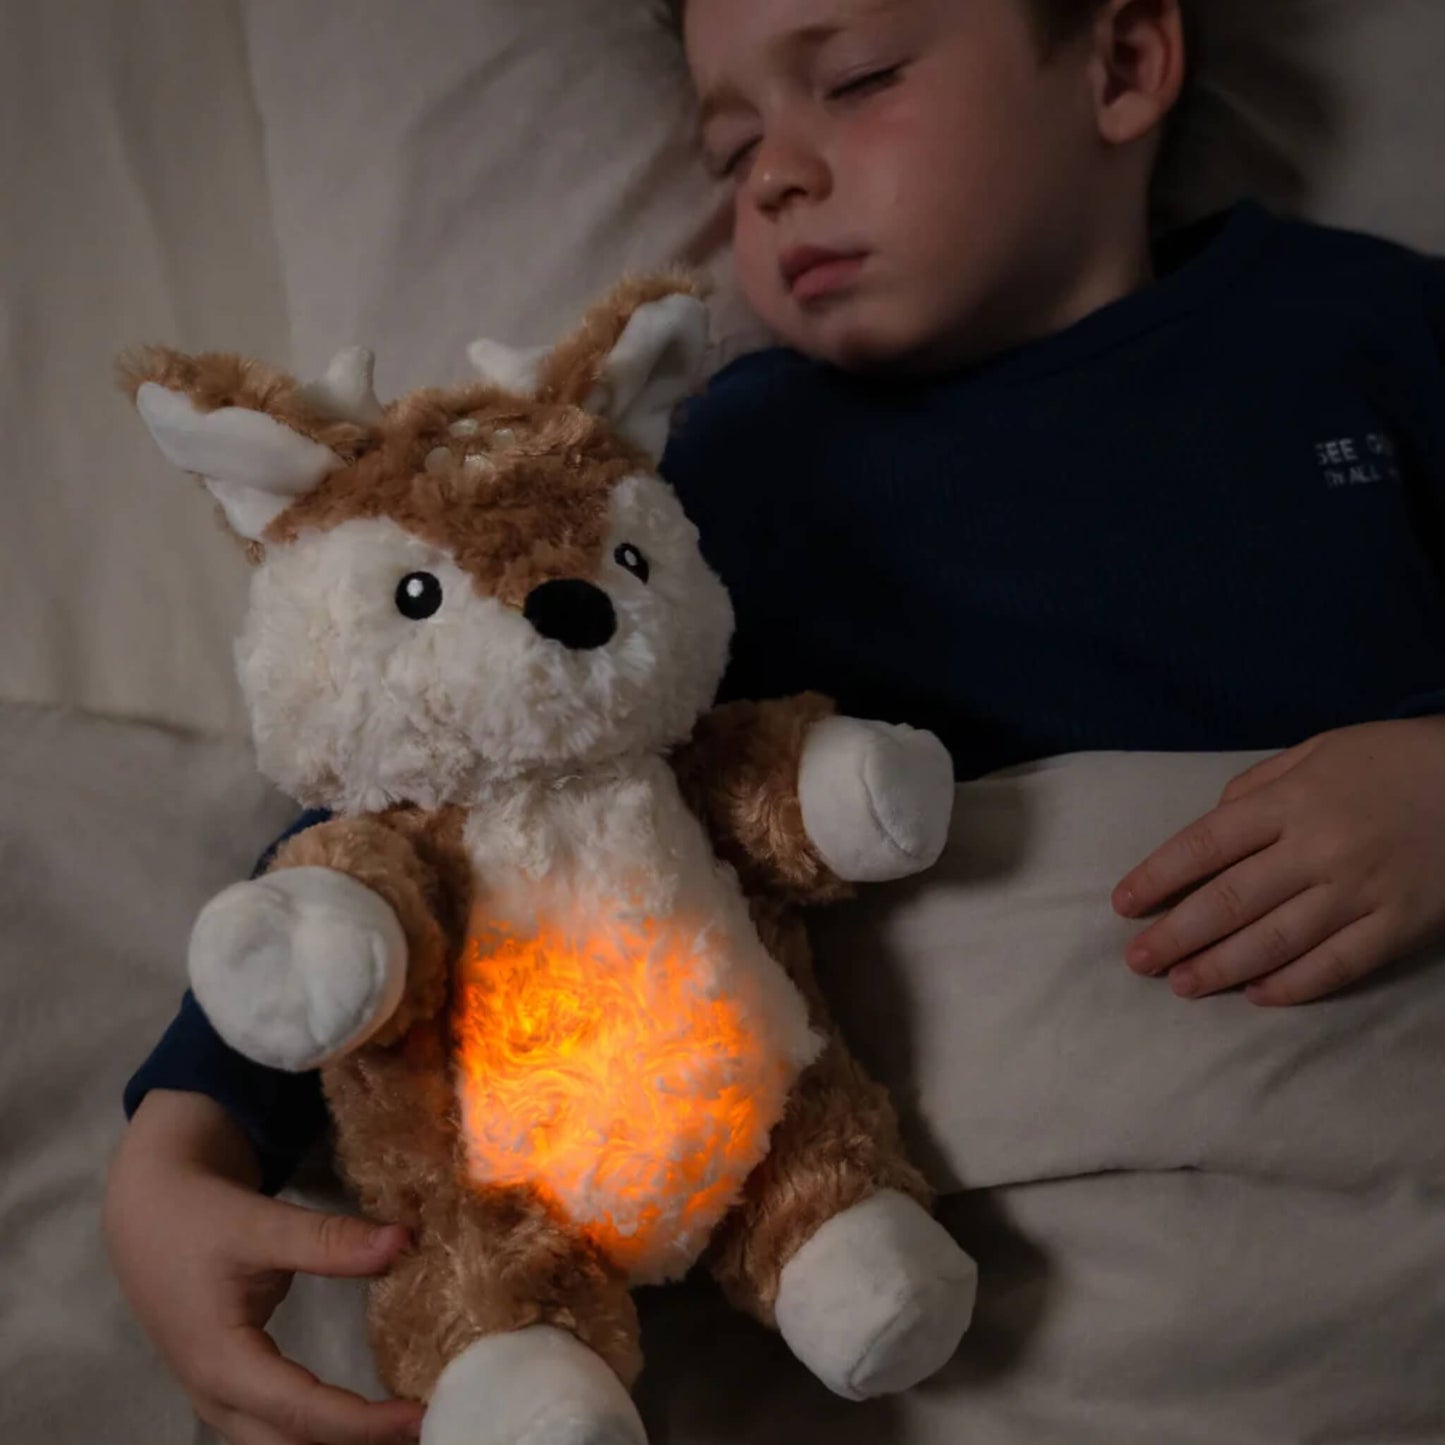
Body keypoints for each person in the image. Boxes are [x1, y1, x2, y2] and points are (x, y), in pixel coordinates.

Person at [103, 1, 1445, 1441]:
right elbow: (442, 805)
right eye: (733, 143)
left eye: (856, 82)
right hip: (926, 1250)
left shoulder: (1368, 336)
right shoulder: (719, 473)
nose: (772, 179)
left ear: (1120, 64)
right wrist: (179, 1139)